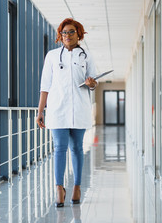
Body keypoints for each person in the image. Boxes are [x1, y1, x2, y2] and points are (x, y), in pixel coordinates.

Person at [36, 18, 97, 207]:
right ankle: (59, 188)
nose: (67, 36)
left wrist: (91, 83)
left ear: (79, 34)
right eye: (64, 32)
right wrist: (40, 112)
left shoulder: (86, 56)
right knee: (59, 149)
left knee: (77, 148)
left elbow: (94, 82)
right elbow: (45, 86)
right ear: (60, 36)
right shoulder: (52, 56)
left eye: (71, 32)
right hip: (57, 109)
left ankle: (77, 187)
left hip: (79, 108)